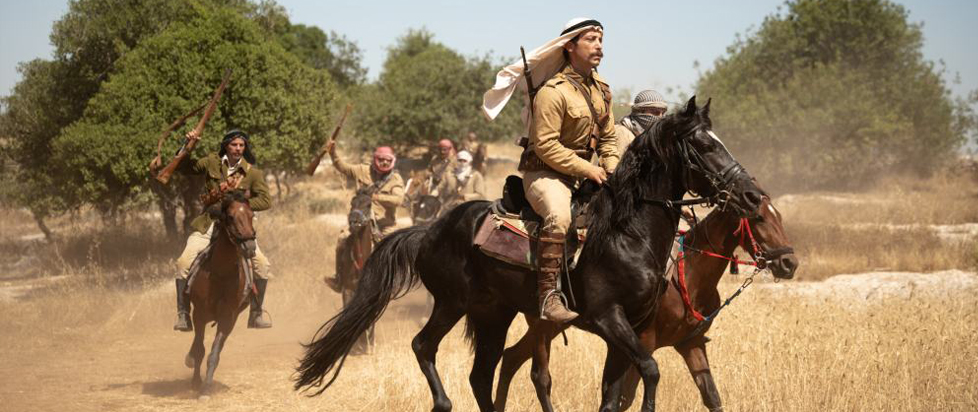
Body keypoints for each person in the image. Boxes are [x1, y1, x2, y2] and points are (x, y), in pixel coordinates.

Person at [518, 18, 620, 323]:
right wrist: (587, 169)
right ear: (570, 46)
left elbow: (610, 138)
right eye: (590, 39)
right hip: (546, 174)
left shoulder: (602, 90)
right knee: (560, 216)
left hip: (588, 173)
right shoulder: (553, 91)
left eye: (601, 39)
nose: (599, 45)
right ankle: (548, 296)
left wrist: (612, 171)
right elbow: (545, 145)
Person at [172, 129, 273, 331]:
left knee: (262, 264)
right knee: (183, 261)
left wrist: (240, 207)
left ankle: (256, 312)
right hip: (210, 222)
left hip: (237, 228)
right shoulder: (211, 162)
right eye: (234, 145)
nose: (238, 149)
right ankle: (183, 314)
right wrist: (187, 144)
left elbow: (265, 200)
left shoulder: (252, 173)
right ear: (226, 145)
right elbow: (184, 167)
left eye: (241, 145)